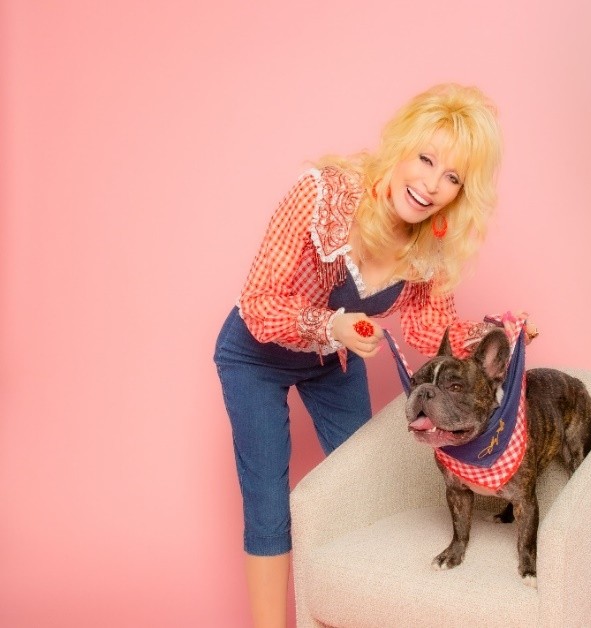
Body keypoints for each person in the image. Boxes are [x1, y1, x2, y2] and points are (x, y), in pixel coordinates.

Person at [213, 83, 537, 628]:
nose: (432, 185)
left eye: (452, 177)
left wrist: (502, 332)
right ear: (400, 147)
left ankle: (345, 611)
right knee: (268, 495)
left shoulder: (431, 247)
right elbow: (258, 303)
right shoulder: (322, 197)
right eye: (427, 159)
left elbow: (433, 329)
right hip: (255, 356)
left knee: (362, 483)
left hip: (332, 362)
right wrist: (329, 324)